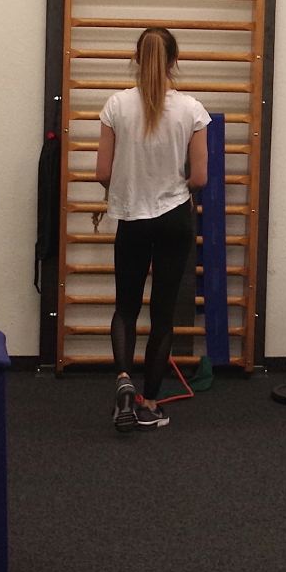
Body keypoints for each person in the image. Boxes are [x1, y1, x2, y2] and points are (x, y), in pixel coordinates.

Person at [95, 27, 210, 432]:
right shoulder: (192, 110)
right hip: (174, 218)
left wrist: (125, 189)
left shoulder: (116, 105)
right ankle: (150, 403)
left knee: (125, 308)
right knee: (162, 316)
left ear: (136, 59)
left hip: (132, 218)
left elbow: (102, 172)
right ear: (175, 61)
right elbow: (200, 178)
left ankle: (124, 380)